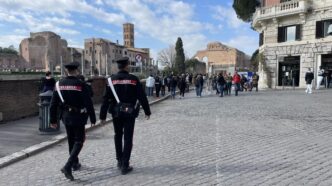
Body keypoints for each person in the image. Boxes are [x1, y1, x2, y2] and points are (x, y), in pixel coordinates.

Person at [100, 57, 151, 175]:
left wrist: (102, 116)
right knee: (128, 138)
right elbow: (142, 96)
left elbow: (105, 99)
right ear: (127, 66)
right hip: (129, 113)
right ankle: (125, 164)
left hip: (116, 112)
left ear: (118, 67)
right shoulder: (133, 79)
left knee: (117, 135)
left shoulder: (110, 80)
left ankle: (119, 160)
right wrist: (147, 111)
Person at [49, 62, 96, 181]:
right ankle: (68, 166)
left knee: (71, 140)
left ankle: (75, 163)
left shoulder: (58, 84)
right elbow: (88, 103)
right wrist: (93, 117)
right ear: (76, 71)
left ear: (66, 71)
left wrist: (53, 120)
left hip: (65, 117)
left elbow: (53, 104)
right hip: (79, 116)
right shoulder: (81, 84)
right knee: (79, 141)